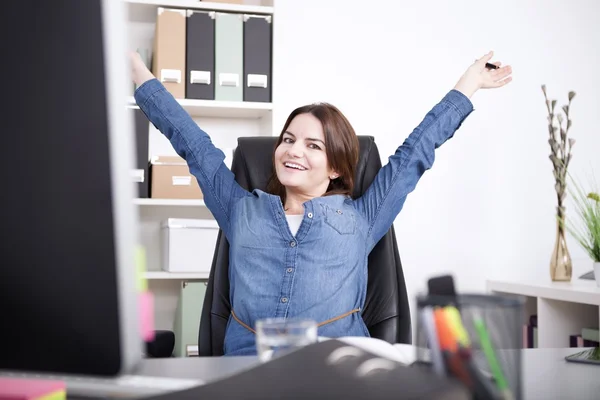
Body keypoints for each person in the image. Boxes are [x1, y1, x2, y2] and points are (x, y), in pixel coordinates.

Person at [129, 51, 512, 356]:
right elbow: (193, 145)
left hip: (336, 371)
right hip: (249, 373)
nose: (293, 151)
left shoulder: (361, 217)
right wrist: (132, 66)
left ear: (334, 168)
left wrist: (469, 84)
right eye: (288, 139)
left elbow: (416, 152)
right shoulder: (241, 209)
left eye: (313, 146)